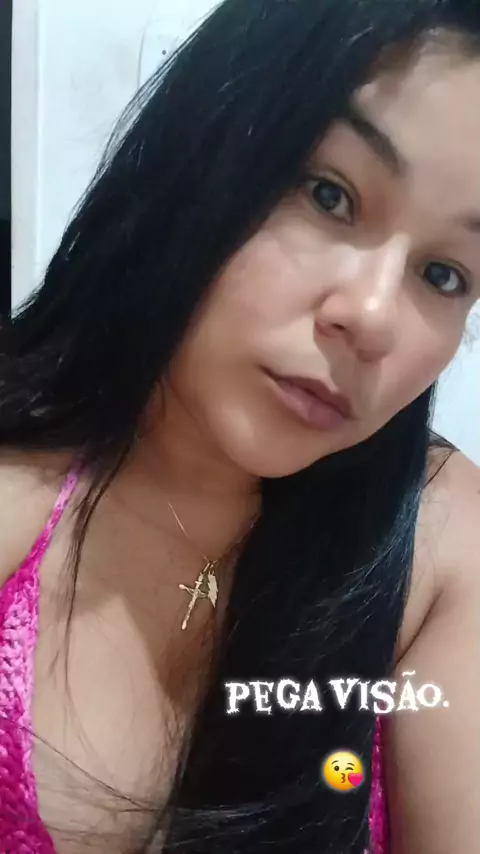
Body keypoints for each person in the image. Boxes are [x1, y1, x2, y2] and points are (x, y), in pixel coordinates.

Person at [0, 0, 480, 852]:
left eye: (445, 275)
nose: (372, 317)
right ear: (203, 150)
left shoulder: (445, 548)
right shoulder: (21, 482)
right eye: (329, 194)